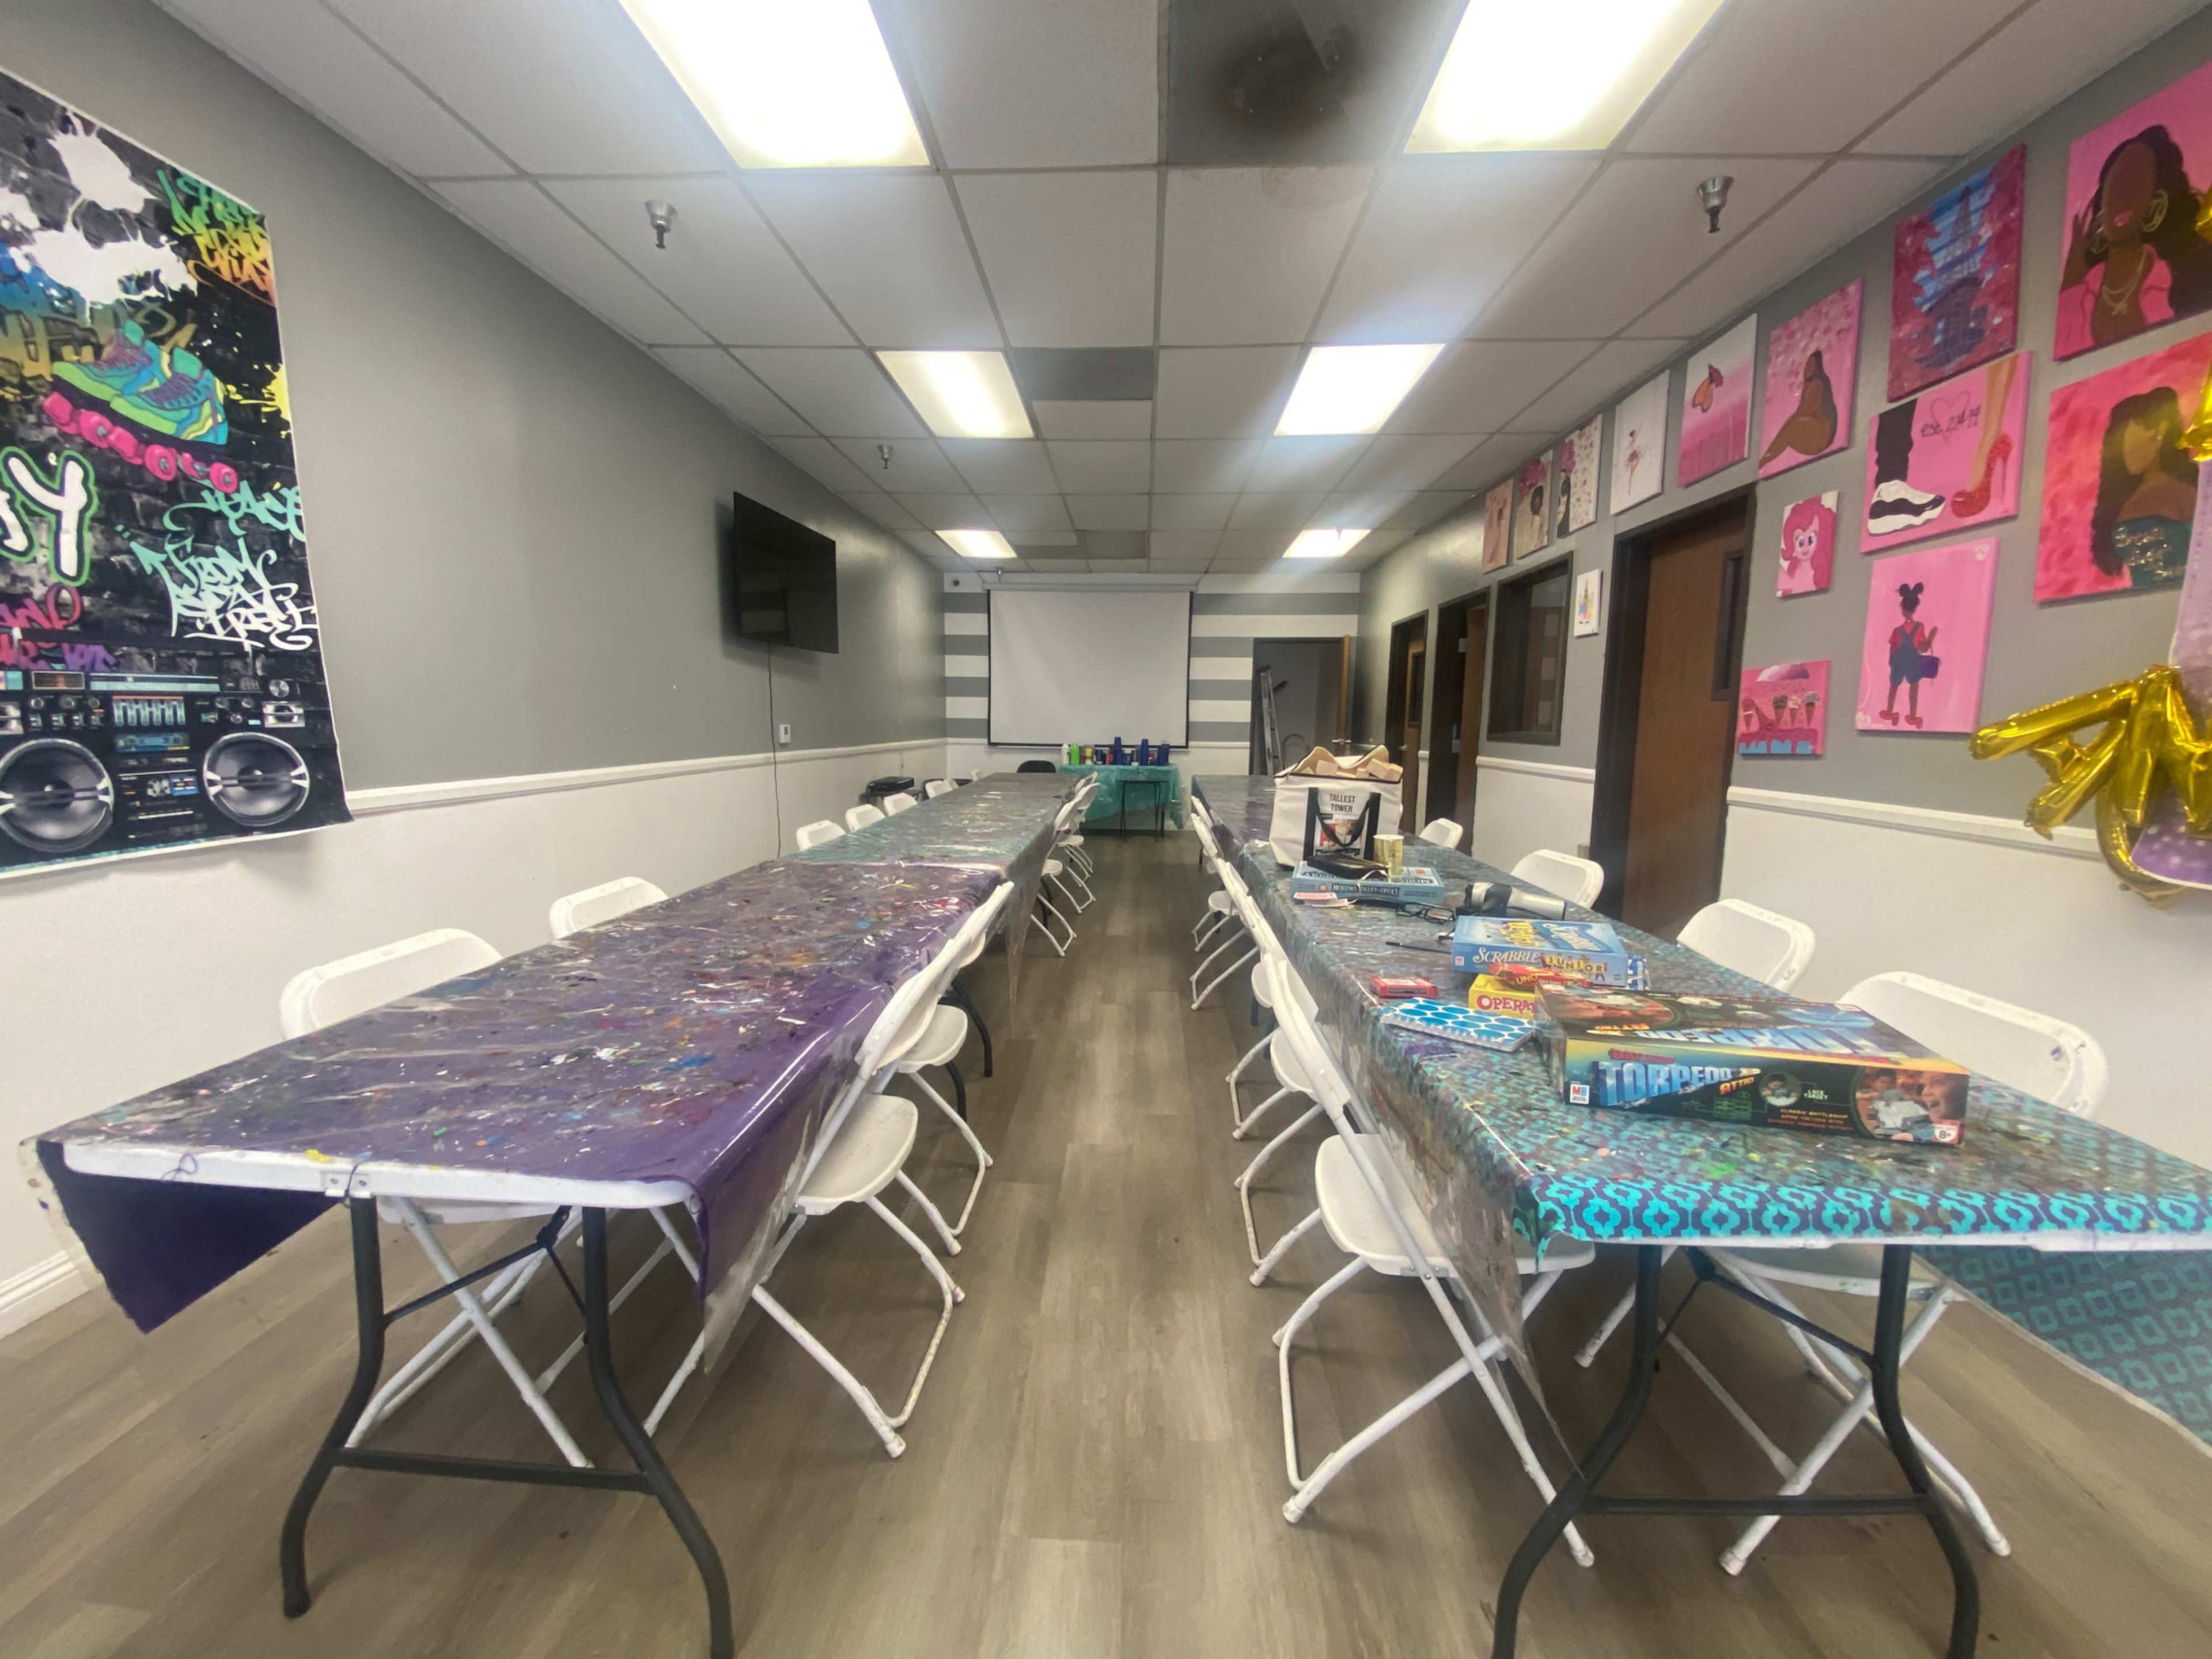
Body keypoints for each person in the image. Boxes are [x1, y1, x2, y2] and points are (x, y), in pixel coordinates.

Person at [2058, 124, 2212, 354]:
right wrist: (2071, 287)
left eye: (2136, 182)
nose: (2123, 197)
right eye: (2116, 186)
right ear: (2101, 207)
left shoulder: (2177, 277)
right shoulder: (2082, 291)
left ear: (2156, 202)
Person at [2090, 385, 2198, 590]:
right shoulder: (2124, 499)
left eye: (2134, 445)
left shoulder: (2185, 492)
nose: (2127, 456)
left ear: (2160, 434)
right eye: (2122, 448)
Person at [1758, 346, 1836, 467]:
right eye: (1807, 365)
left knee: (1790, 427)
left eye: (1811, 365)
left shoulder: (1818, 383)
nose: (1807, 368)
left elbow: (1810, 410)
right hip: (1812, 427)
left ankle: (1767, 457)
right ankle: (1767, 457)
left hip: (1821, 430)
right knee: (1790, 426)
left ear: (1817, 367)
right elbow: (1802, 410)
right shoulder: (1809, 385)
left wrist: (1794, 420)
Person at [1880, 582, 1939, 729]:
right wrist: (1931, 638)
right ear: (1914, 608)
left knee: (1894, 687)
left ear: (1903, 609)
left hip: (1899, 662)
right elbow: (1923, 648)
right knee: (1913, 688)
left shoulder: (1897, 630)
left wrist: (1891, 660)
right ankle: (1913, 717)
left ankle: (1890, 712)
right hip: (1912, 661)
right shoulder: (1919, 627)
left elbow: (1893, 648)